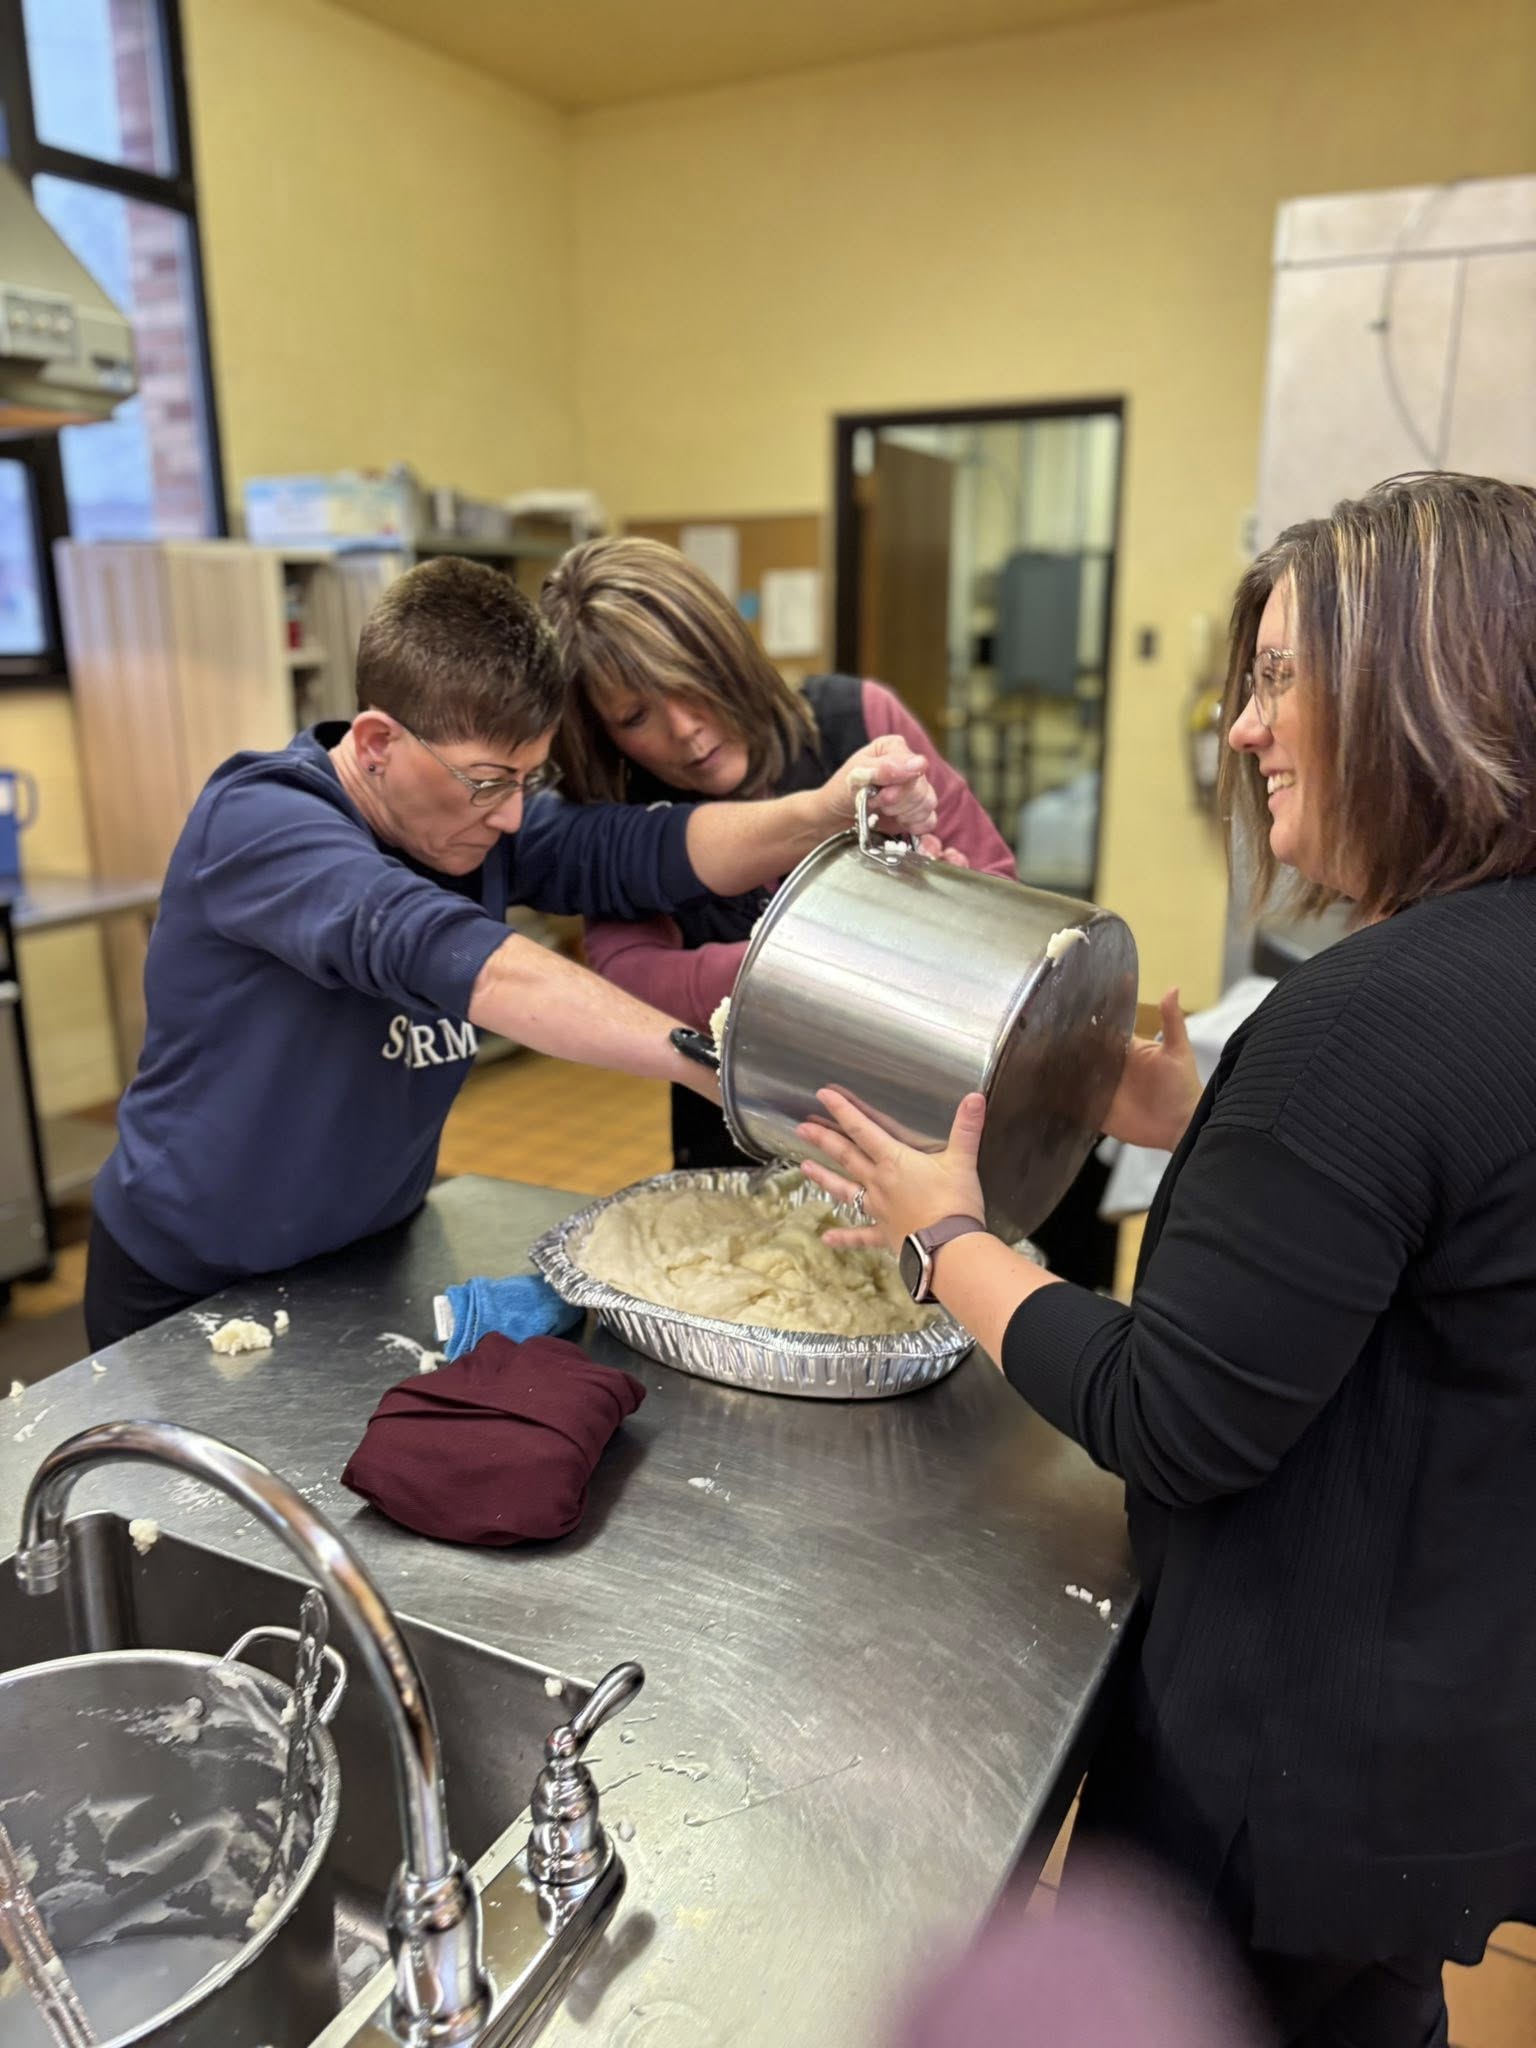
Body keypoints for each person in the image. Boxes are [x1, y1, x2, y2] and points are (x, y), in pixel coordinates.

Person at [796, 472, 1536, 2046]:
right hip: (1446, 1718)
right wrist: (1208, 1121)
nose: (1243, 729)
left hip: (1289, 1760)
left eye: (1279, 680)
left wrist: (946, 1234)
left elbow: (1172, 1414)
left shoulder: (1367, 1019)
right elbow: (1432, 1248)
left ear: (1426, 693)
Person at [84, 556, 938, 1350]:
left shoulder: (474, 825)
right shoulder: (263, 823)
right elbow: (456, 955)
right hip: (186, 1279)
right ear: (377, 744)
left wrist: (822, 813)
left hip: (362, 1258)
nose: (511, 815)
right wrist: (712, 1065)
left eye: (527, 780)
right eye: (489, 781)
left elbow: (636, 849)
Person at [539, 535, 1016, 1177]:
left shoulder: (856, 720)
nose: (684, 728)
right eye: (635, 717)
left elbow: (1001, 892)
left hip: (928, 1125)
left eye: (690, 682)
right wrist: (843, 957)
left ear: (727, 651)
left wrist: (961, 902)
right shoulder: (621, 821)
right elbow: (634, 981)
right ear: (603, 733)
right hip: (746, 1148)